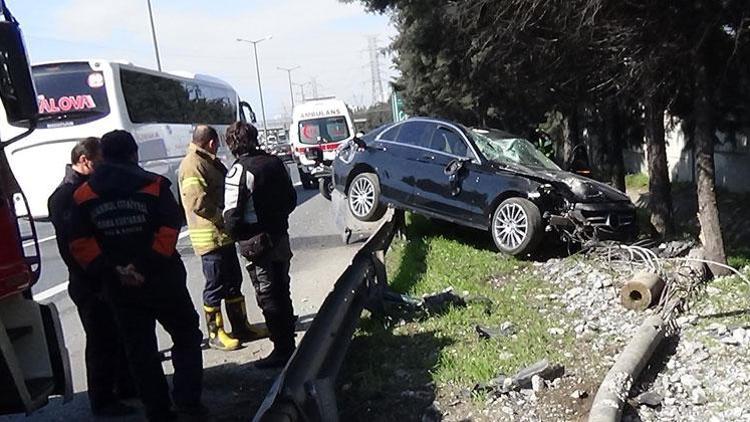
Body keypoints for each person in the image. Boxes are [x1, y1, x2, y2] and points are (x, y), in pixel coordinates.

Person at [68, 130, 204, 421]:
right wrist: (145, 265)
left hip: (119, 285)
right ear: (133, 154)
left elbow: (79, 242)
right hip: (162, 279)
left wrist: (114, 270)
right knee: (186, 336)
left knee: (140, 350)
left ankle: (158, 411)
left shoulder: (83, 195)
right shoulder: (153, 185)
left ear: (103, 156)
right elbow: (169, 228)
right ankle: (188, 401)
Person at [47, 137, 136, 417]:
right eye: (100, 161)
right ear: (84, 161)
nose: (104, 166)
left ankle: (125, 385)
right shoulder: (67, 196)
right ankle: (103, 398)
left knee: (116, 334)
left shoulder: (82, 190)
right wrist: (99, 272)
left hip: (102, 274)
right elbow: (74, 245)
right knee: (101, 340)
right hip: (89, 280)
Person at [178, 125, 265, 351]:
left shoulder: (209, 160)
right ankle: (215, 334)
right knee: (215, 285)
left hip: (223, 237)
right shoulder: (192, 164)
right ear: (211, 142)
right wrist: (223, 218)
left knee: (233, 282)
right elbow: (197, 202)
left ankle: (240, 326)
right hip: (210, 239)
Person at [223, 121, 298, 369]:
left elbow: (231, 216)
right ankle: (289, 344)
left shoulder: (238, 172)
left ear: (232, 144)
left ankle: (282, 349)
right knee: (282, 289)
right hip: (280, 236)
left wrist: (241, 235)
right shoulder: (275, 163)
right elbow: (291, 199)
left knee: (267, 295)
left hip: (257, 243)